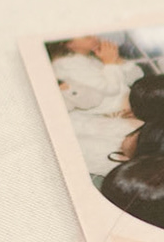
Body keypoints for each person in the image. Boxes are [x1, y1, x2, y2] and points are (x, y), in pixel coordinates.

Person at [48, 35, 145, 178]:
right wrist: (110, 63)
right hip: (105, 118)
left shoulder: (92, 58)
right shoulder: (65, 64)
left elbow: (137, 76)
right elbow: (109, 89)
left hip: (125, 113)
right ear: (67, 43)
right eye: (86, 37)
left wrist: (116, 60)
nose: (94, 38)